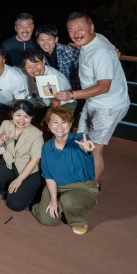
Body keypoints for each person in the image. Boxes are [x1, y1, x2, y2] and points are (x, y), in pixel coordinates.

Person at [55, 12, 130, 186]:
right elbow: (111, 50)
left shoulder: (100, 52)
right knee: (82, 142)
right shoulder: (97, 38)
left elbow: (104, 86)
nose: (76, 33)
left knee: (94, 148)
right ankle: (82, 177)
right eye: (71, 30)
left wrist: (72, 94)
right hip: (93, 101)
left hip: (109, 106)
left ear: (91, 27)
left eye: (80, 28)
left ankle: (92, 187)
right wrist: (77, 45)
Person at [31, 106, 100, 235]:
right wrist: (53, 199)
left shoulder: (79, 139)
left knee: (68, 200)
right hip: (58, 187)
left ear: (70, 124)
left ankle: (78, 220)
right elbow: (49, 176)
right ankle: (52, 206)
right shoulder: (46, 148)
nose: (59, 126)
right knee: (46, 220)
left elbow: (85, 144)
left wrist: (86, 147)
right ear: (49, 125)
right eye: (55, 122)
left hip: (84, 188)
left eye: (64, 122)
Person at [0, 100, 43, 210]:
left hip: (27, 170)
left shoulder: (37, 134)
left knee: (14, 205)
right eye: (18, 115)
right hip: (9, 163)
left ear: (32, 117)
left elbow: (34, 160)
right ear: (12, 114)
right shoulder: (6, 124)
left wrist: (19, 180)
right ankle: (3, 190)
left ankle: (31, 192)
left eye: (26, 116)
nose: (21, 120)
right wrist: (2, 140)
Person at [20, 48, 75, 124]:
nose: (34, 69)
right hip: (41, 101)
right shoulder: (25, 75)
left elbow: (56, 103)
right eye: (29, 67)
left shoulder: (51, 78)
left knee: (53, 125)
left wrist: (47, 120)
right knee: (27, 121)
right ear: (24, 68)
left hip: (62, 104)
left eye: (37, 64)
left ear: (43, 61)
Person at [35, 24, 80, 90]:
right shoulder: (41, 56)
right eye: (42, 40)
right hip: (59, 91)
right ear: (38, 41)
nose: (45, 43)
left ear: (56, 39)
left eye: (49, 39)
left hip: (76, 91)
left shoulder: (70, 52)